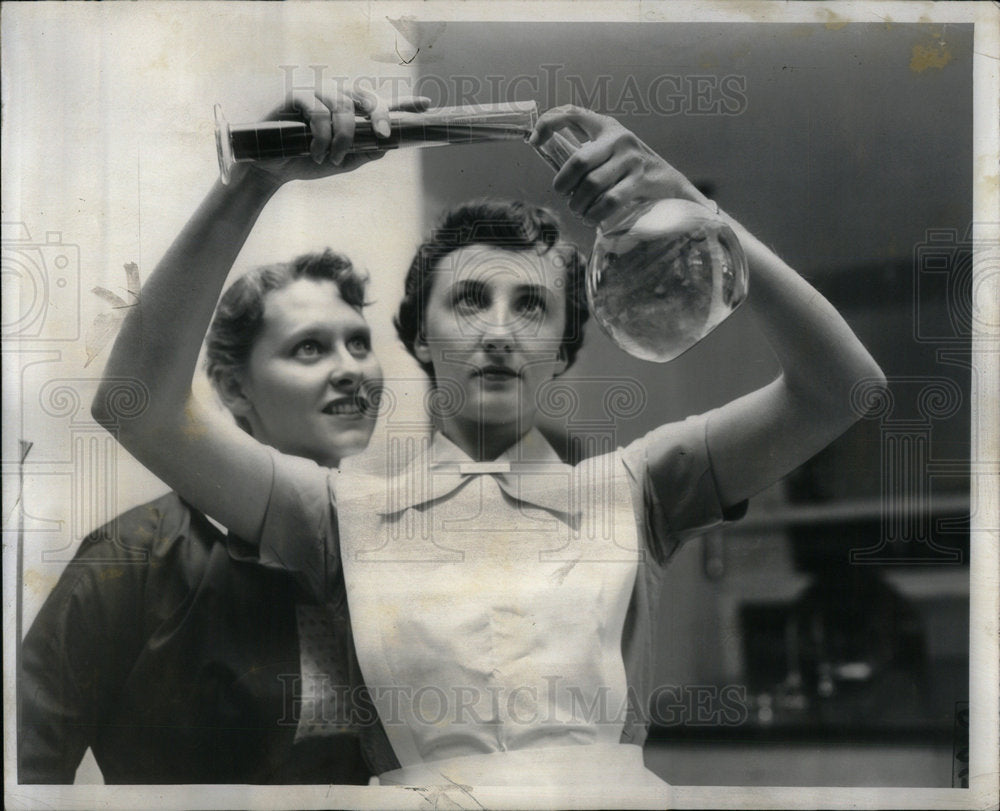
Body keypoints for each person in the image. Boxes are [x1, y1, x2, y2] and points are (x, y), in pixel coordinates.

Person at [91, 90, 886, 799]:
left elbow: (844, 387)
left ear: (565, 347)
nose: (501, 331)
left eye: (533, 307)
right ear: (420, 336)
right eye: (470, 299)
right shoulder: (339, 514)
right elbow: (139, 409)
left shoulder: (638, 488)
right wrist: (250, 184)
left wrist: (694, 212)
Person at [20, 250, 383, 783]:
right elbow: (28, 767)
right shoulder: (133, 555)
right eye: (310, 347)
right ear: (234, 386)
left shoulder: (381, 547)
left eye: (358, 343)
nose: (351, 370)